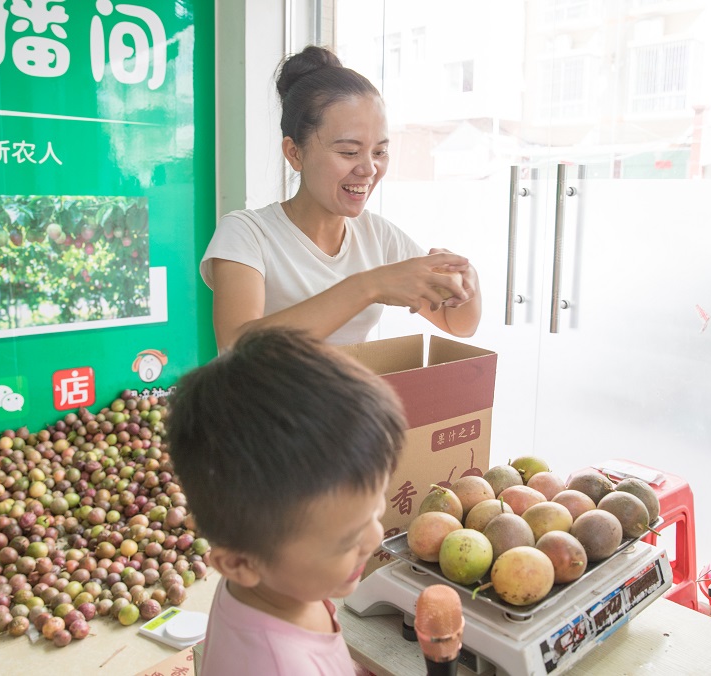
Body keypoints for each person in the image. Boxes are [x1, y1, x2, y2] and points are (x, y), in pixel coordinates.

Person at [201, 45, 482, 348]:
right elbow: (235, 347)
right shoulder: (247, 233)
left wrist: (467, 283)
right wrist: (369, 286)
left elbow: (459, 325)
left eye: (380, 152)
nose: (368, 168)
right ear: (295, 153)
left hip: (349, 397)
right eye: (349, 152)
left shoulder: (378, 236)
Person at [166, 327, 406, 675]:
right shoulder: (280, 665)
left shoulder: (270, 584)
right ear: (239, 563)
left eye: (376, 510)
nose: (374, 538)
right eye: (347, 542)